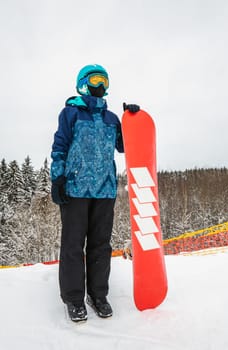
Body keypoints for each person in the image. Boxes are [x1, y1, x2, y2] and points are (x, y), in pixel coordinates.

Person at [50, 64, 139, 322]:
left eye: (104, 81)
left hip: (105, 189)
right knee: (73, 245)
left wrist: (131, 120)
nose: (100, 85)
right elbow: (59, 146)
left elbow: (125, 146)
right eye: (95, 80)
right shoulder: (70, 113)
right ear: (83, 83)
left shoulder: (112, 119)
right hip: (75, 189)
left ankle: (98, 295)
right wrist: (58, 179)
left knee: (101, 245)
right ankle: (74, 298)